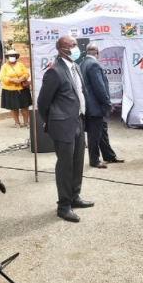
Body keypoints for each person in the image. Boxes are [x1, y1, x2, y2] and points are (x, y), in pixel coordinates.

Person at [38, 35, 93, 223]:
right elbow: (43, 102)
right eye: (73, 45)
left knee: (78, 162)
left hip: (78, 121)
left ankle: (74, 197)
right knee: (65, 166)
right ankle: (63, 206)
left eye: (76, 44)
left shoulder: (75, 66)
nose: (77, 48)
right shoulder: (55, 72)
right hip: (62, 125)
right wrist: (53, 121)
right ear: (62, 50)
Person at [80, 43, 125, 169]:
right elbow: (99, 87)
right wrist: (108, 104)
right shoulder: (94, 64)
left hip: (90, 105)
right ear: (97, 52)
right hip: (95, 106)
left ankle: (109, 155)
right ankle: (94, 160)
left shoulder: (83, 63)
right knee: (94, 134)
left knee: (102, 131)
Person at [0, 50, 32, 128]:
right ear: (7, 57)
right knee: (13, 107)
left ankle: (26, 122)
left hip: (22, 88)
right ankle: (17, 123)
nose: (12, 57)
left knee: (25, 106)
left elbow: (26, 73)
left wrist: (20, 80)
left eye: (14, 55)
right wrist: (12, 80)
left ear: (16, 57)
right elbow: (2, 77)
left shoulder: (20, 64)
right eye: (10, 56)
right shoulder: (4, 66)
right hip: (10, 90)